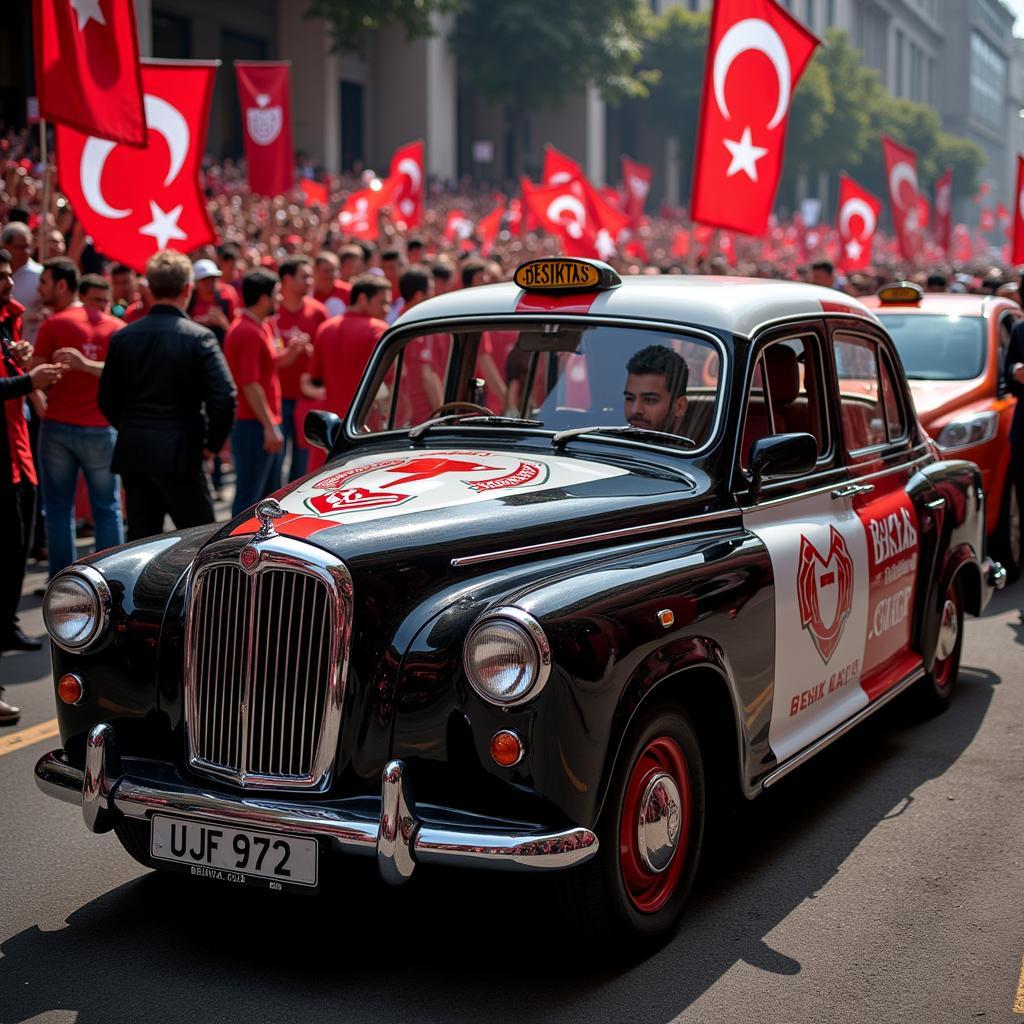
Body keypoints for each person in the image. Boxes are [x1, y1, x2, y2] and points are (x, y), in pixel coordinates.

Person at [98, 250, 236, 540]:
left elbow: (106, 398)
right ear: (188, 289)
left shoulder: (125, 336)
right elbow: (224, 396)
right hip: (181, 453)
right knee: (201, 543)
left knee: (140, 542)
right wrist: (211, 445)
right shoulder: (199, 336)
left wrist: (131, 428)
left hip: (136, 453)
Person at [32, 257, 124, 577]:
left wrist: (41, 397)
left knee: (59, 509)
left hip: (59, 425)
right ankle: (111, 579)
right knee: (107, 508)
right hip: (98, 429)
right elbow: (121, 375)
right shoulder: (116, 328)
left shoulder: (54, 323)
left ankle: (62, 580)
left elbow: (35, 372)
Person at [0, 248, 63, 679]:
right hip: (5, 456)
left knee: (16, 550)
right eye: (3, 276)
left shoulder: (9, 320)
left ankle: (6, 624)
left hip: (18, 453)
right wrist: (29, 379)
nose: (11, 281)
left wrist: (20, 359)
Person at [224, 268, 305, 515]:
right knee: (250, 500)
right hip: (254, 425)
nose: (280, 299)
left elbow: (270, 365)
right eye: (276, 294)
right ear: (263, 298)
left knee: (268, 497)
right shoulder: (248, 331)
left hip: (259, 423)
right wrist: (269, 425)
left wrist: (291, 352)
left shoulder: (261, 325)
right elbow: (250, 383)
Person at [301, 274, 391, 423]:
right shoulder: (379, 330)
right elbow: (393, 379)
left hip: (333, 425)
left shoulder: (325, 328)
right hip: (368, 425)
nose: (387, 309)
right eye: (383, 303)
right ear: (362, 299)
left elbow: (313, 379)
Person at [274, 256, 325, 482]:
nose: (310, 281)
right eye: (304, 276)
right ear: (287, 279)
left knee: (303, 469)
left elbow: (325, 356)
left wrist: (310, 350)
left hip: (307, 400)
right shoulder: (272, 312)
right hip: (278, 400)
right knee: (274, 467)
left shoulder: (318, 312)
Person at [623, 345, 689, 433]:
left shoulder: (703, 446)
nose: (635, 410)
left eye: (649, 400)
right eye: (629, 398)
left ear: (679, 407)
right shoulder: (606, 440)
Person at [2, 222, 43, 342]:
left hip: (28, 346)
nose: (27, 252)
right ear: (5, 246)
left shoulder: (40, 275)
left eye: (28, 246)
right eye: (20, 247)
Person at [188, 258, 238, 345]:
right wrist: (197, 322)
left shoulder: (227, 294)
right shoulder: (188, 297)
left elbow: (236, 330)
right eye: (205, 280)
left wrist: (223, 323)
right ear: (195, 282)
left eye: (213, 278)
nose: (210, 283)